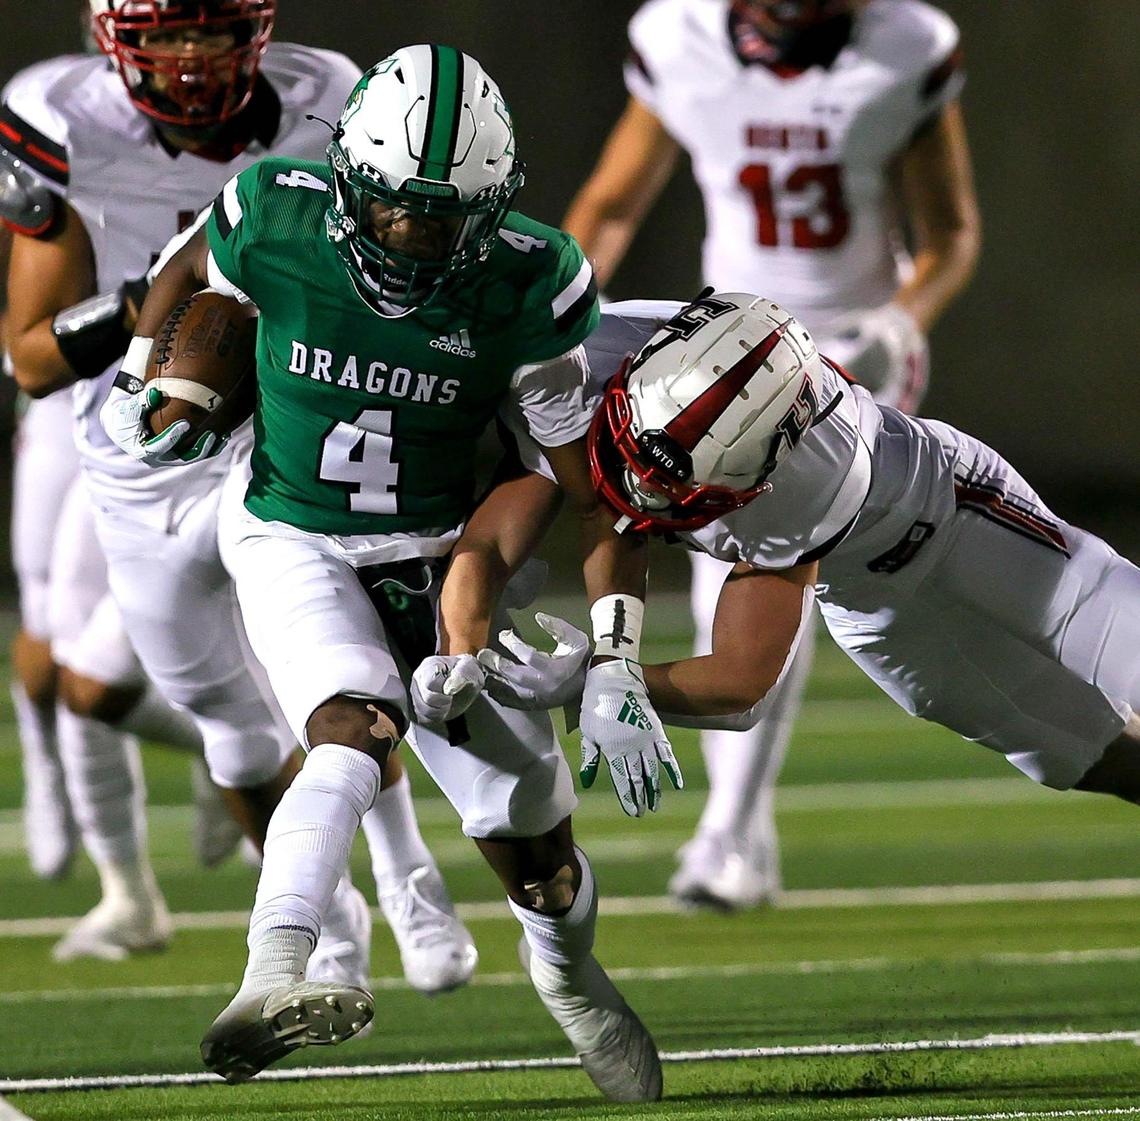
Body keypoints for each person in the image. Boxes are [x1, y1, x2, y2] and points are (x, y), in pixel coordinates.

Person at [109, 44, 672, 1099]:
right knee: (349, 731)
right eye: (393, 208)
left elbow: (590, 487)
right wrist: (156, 372)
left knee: (537, 857)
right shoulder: (270, 211)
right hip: (292, 532)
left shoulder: (532, 282)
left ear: (493, 207)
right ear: (346, 181)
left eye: (444, 218)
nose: (415, 237)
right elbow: (191, 272)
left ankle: (573, 979)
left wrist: (615, 655)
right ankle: (271, 973)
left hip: (442, 547)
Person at [2, 1, 476, 988]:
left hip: (283, 431)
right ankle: (327, 925)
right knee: (220, 715)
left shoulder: (330, 99)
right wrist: (155, 309)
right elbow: (32, 355)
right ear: (115, 36)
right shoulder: (59, 118)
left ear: (254, 32)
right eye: (167, 34)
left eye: (212, 33)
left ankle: (409, 880)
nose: (190, 58)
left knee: (332, 666)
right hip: (140, 445)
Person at [562, 0, 982, 909]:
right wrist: (552, 318)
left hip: (848, 351)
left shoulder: (904, 47)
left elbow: (951, 236)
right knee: (750, 564)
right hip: (721, 347)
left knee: (790, 560)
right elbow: (611, 204)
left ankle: (732, 833)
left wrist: (898, 322)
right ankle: (734, 835)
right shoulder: (679, 38)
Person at [476, 294, 1140, 839]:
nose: (637, 492)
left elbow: (741, 683)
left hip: (962, 525)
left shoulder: (808, 479)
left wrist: (604, 681)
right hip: (872, 610)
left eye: (681, 492)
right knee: (1082, 755)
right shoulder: (595, 353)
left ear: (758, 476)